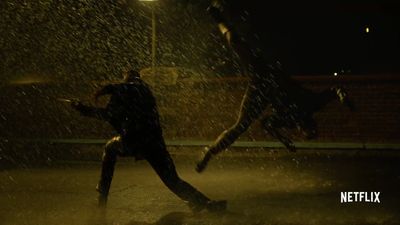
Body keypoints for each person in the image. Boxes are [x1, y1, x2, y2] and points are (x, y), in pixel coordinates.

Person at [195, 2, 354, 173]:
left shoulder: (290, 121)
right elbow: (335, 89)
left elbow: (267, 124)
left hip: (262, 93)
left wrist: (283, 140)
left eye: (304, 132)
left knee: (240, 126)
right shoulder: (313, 103)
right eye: (308, 129)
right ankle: (219, 18)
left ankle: (209, 151)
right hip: (269, 76)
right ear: (310, 123)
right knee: (237, 43)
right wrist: (343, 97)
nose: (301, 129)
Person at [71, 69, 226, 212]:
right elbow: (110, 112)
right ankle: (204, 202)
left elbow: (108, 113)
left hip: (135, 141)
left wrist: (92, 101)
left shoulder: (131, 89)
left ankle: (102, 196)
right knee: (172, 180)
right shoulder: (144, 92)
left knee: (110, 147)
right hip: (154, 143)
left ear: (128, 80)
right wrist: (83, 108)